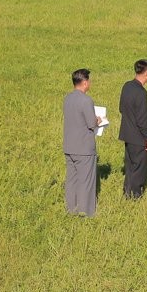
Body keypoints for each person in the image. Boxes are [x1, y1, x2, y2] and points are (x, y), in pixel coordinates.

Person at [63, 68, 100, 217]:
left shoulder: (67, 98)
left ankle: (71, 209)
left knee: (72, 180)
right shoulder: (86, 100)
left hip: (69, 146)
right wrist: (98, 120)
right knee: (86, 182)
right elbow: (91, 123)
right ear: (85, 83)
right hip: (84, 148)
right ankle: (86, 212)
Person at [119, 59, 147, 199]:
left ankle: (127, 191)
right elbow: (142, 120)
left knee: (130, 165)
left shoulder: (127, 86)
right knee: (140, 167)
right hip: (139, 136)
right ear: (146, 73)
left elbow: (121, 108)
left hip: (127, 133)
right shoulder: (142, 93)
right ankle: (135, 195)